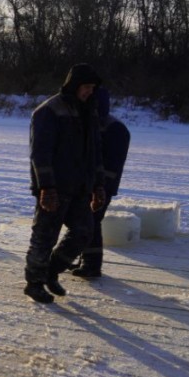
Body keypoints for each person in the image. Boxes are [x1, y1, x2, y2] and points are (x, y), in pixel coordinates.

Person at [24, 63, 106, 303]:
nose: (89, 92)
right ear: (74, 85)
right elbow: (40, 153)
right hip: (55, 189)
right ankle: (34, 283)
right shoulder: (49, 111)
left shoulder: (88, 111)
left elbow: (95, 152)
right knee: (45, 236)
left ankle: (51, 271)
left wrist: (98, 184)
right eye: (86, 87)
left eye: (92, 88)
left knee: (84, 232)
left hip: (80, 187)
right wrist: (46, 187)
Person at [72, 87, 131, 278]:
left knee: (92, 222)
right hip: (89, 184)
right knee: (86, 222)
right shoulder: (92, 123)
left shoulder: (114, 128)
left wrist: (99, 186)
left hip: (102, 186)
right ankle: (85, 260)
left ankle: (92, 264)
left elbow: (112, 164)